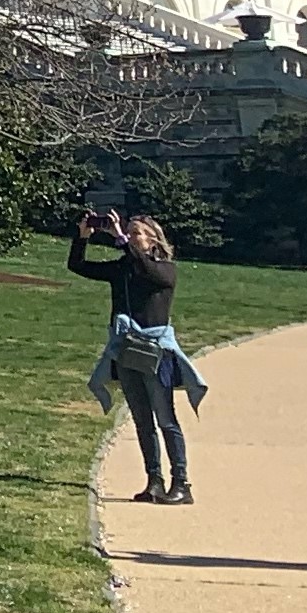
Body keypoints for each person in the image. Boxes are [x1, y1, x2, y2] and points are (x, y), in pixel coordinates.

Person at [67, 206, 200, 504]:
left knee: (165, 418)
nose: (130, 236)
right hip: (127, 351)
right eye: (130, 232)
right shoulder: (122, 269)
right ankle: (154, 480)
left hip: (157, 354)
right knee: (142, 419)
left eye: (136, 233)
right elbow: (77, 266)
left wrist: (121, 241)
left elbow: (147, 270)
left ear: (153, 241)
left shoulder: (164, 270)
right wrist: (82, 237)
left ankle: (182, 484)